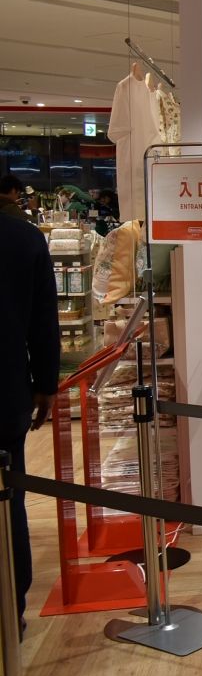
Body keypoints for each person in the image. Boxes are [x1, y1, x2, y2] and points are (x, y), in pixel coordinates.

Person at [0, 211, 60, 634]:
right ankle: (11, 613)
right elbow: (43, 321)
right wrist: (46, 384)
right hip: (6, 393)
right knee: (9, 501)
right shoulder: (23, 238)